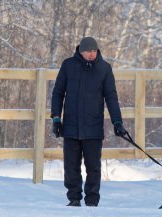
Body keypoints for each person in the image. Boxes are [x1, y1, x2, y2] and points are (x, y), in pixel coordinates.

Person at [51, 37, 127, 207]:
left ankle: (92, 200)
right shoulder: (68, 66)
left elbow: (111, 97)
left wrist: (117, 122)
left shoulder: (104, 68)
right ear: (80, 51)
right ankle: (74, 198)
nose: (92, 54)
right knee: (71, 166)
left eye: (94, 51)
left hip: (93, 127)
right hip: (71, 126)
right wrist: (56, 118)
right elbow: (58, 93)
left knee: (93, 166)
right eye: (88, 51)